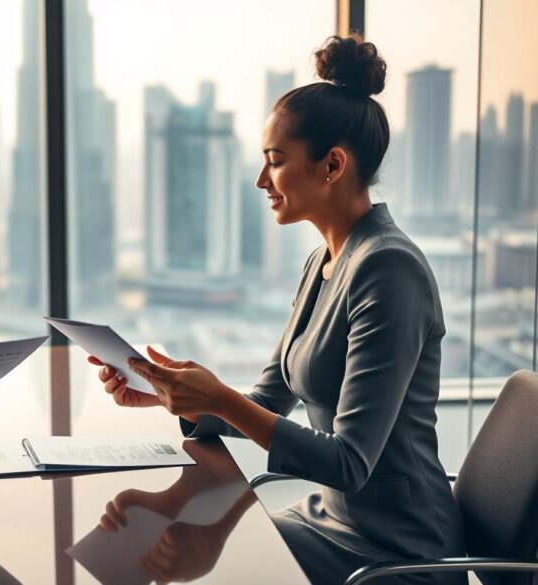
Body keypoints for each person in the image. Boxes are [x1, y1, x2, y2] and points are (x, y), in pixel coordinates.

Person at [91, 35, 466, 584]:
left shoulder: (391, 272)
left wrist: (218, 395)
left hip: (398, 550)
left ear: (332, 165)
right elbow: (270, 400)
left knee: (207, 559)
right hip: (331, 523)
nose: (261, 181)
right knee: (191, 544)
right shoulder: (324, 262)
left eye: (275, 162)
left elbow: (348, 463)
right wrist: (172, 396)